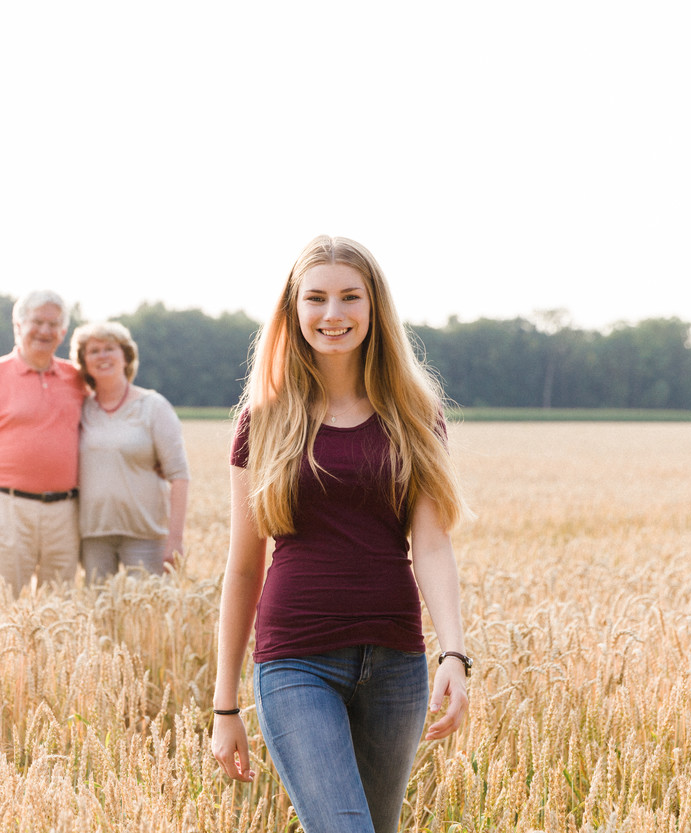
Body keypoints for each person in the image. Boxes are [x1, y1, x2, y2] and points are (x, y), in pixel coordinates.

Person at [210, 235, 473, 833]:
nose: (334, 314)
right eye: (317, 299)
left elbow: (431, 543)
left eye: (350, 297)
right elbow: (244, 565)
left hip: (396, 662)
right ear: (294, 310)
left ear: (374, 307)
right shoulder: (264, 419)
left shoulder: (415, 414)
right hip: (296, 660)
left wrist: (453, 652)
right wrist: (225, 703)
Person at [0, 289, 86, 603]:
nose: (44, 331)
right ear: (19, 325)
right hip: (5, 508)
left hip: (65, 512)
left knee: (59, 608)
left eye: (53, 325)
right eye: (37, 322)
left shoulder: (76, 378)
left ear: (63, 332)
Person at [70, 321, 189, 584]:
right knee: (101, 619)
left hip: (146, 536)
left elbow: (179, 476)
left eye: (109, 348)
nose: (102, 356)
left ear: (125, 356)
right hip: (93, 536)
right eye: (93, 351)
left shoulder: (153, 406)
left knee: (149, 618)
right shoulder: (79, 408)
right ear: (84, 362)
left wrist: (175, 540)